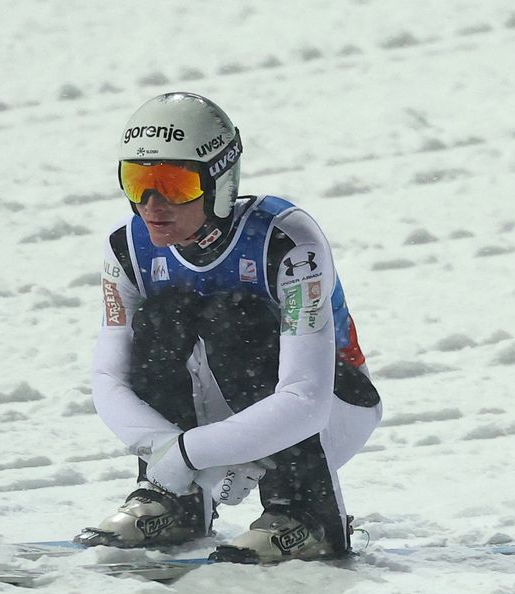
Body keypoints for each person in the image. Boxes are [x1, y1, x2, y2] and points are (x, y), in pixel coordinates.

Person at [74, 92, 383, 563]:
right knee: (160, 319)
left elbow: (304, 401)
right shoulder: (127, 247)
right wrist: (169, 460)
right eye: (137, 183)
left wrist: (186, 455)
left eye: (174, 185)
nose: (152, 205)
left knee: (233, 318)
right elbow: (108, 378)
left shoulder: (286, 240)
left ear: (219, 180)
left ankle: (305, 513)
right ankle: (174, 503)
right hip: (218, 418)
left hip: (331, 409)